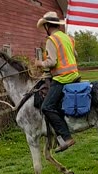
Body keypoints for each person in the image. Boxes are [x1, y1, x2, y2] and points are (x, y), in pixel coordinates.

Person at [35, 11, 80, 153]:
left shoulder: (51, 40)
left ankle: (67, 137)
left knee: (46, 107)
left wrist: (40, 63)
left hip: (62, 78)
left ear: (47, 26)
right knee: (56, 105)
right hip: (74, 76)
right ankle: (58, 135)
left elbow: (52, 61)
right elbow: (74, 55)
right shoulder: (68, 38)